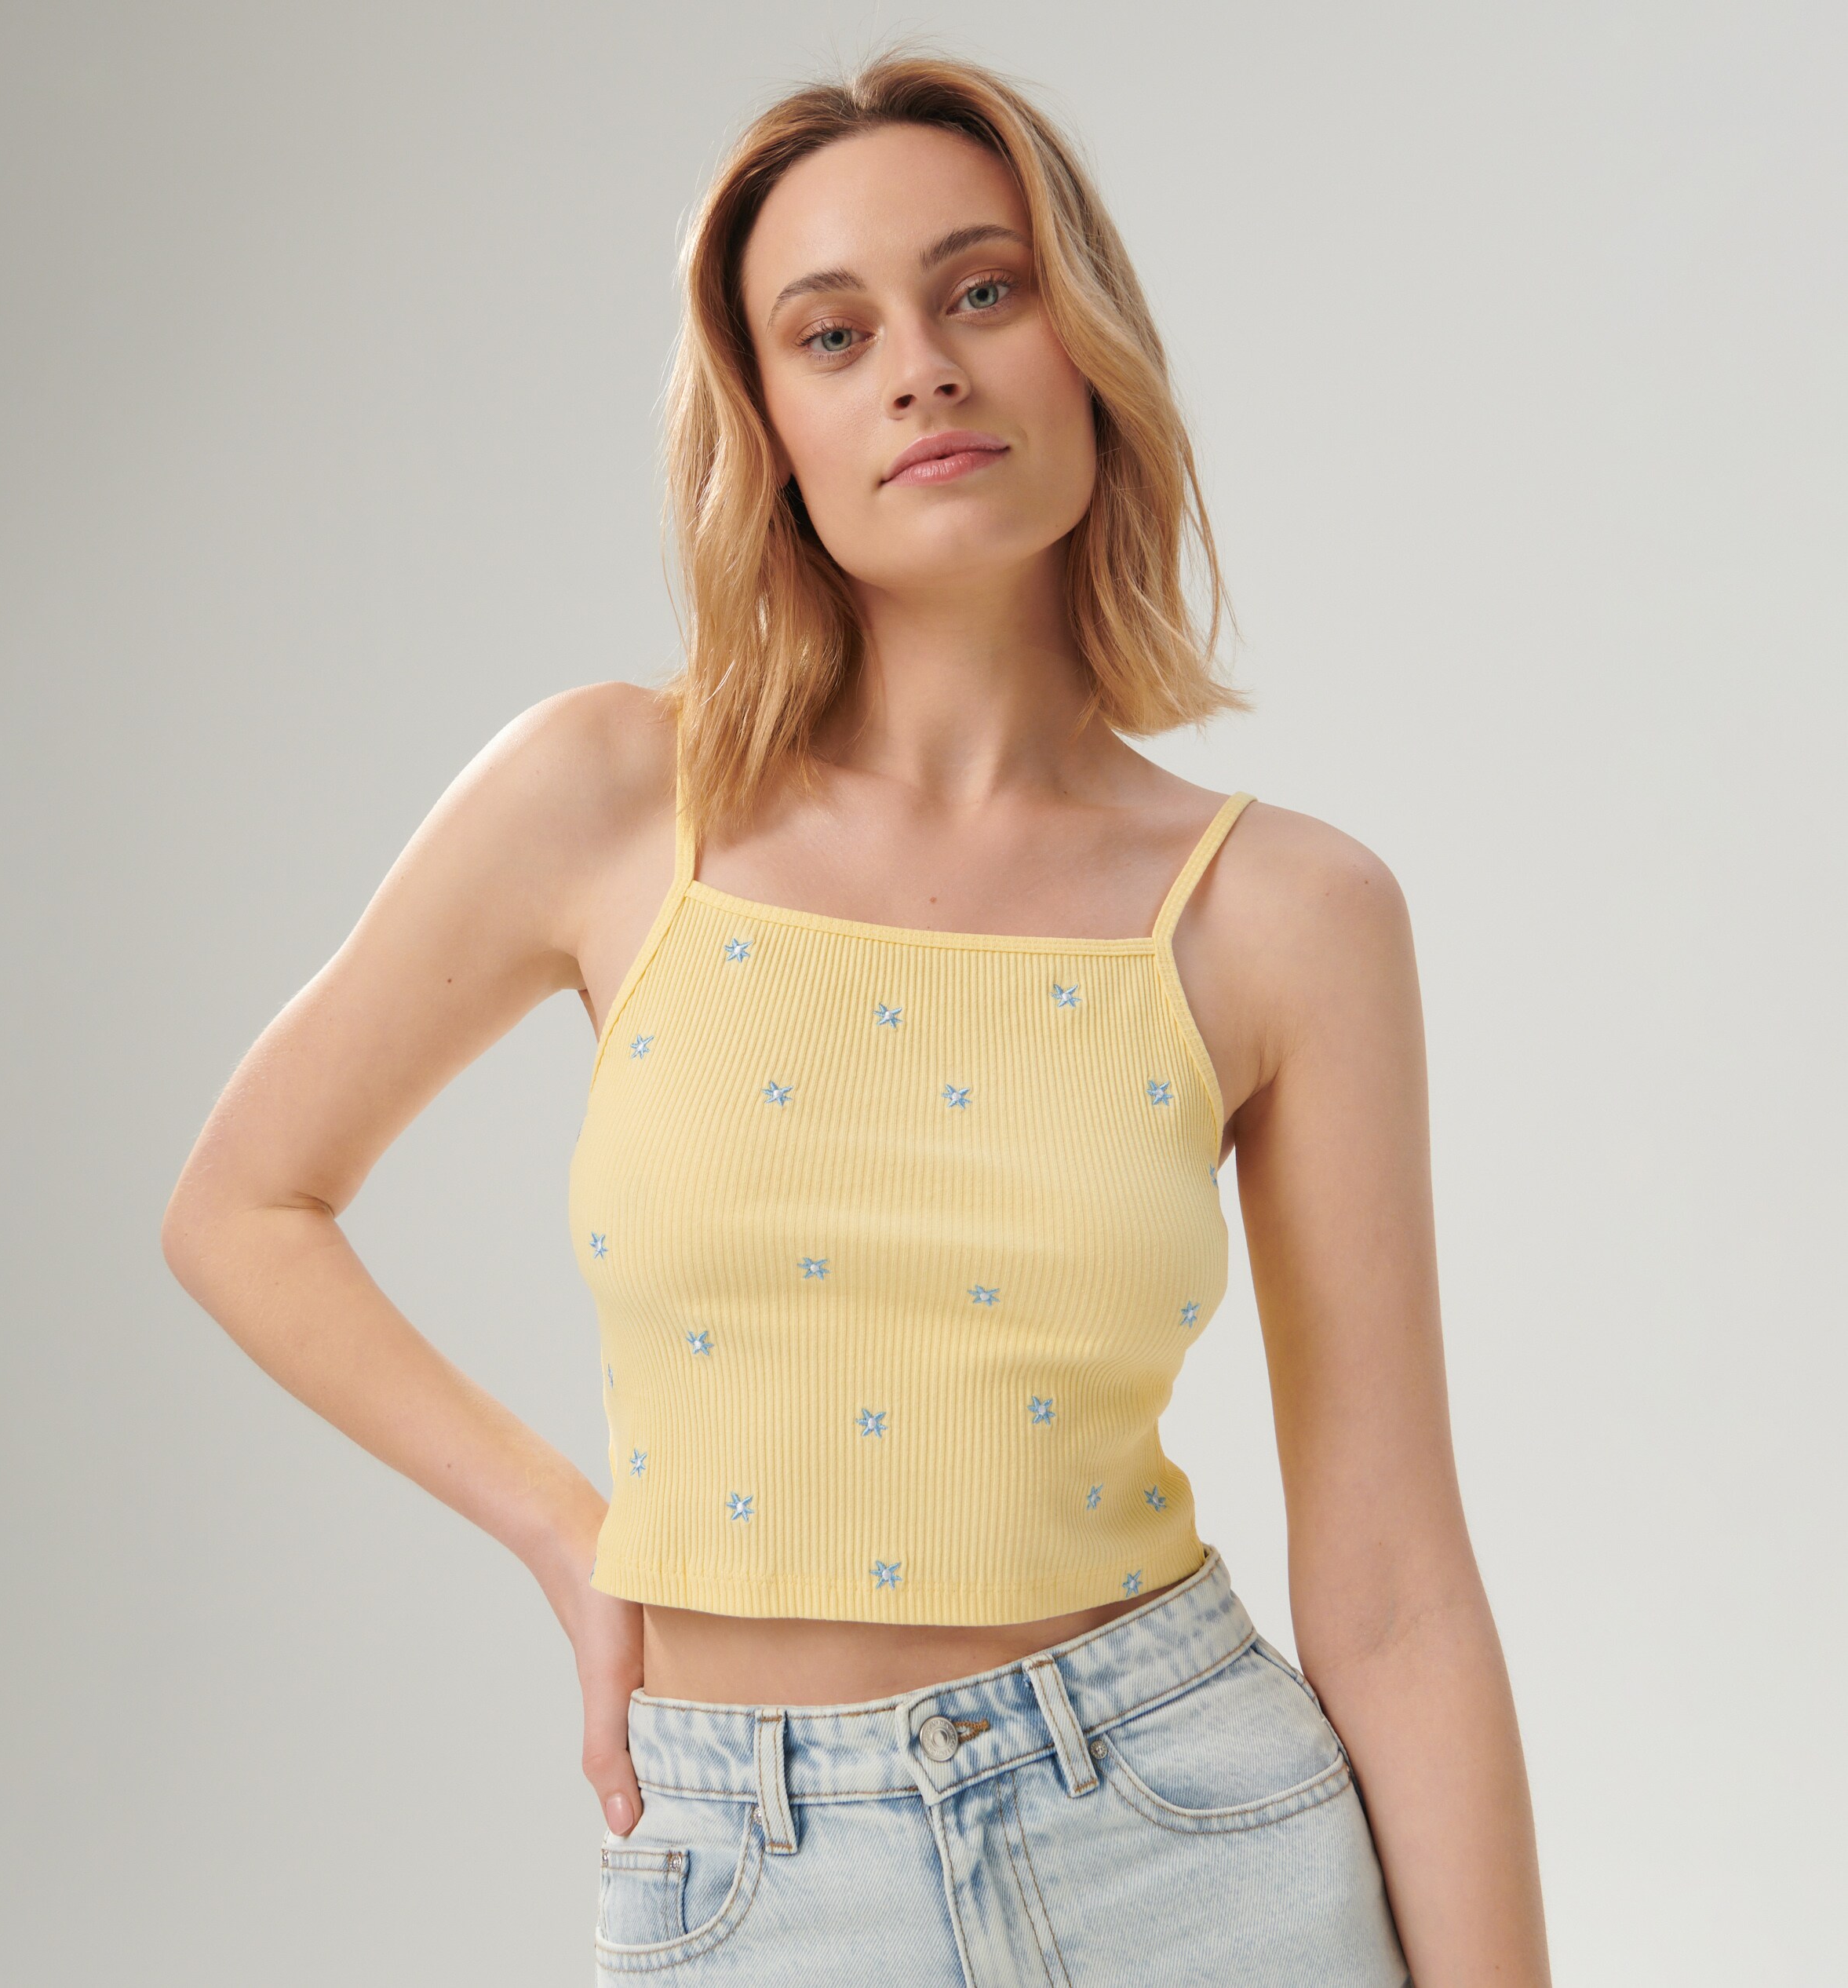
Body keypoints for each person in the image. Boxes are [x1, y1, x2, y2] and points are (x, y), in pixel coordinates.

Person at [162, 45, 1551, 1988]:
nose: (921, 368)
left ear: (1088, 351)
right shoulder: (606, 800)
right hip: (750, 1868)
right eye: (833, 333)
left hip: (1190, 1836)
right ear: (770, 427)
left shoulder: (1286, 912)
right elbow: (242, 1204)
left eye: (982, 290)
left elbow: (1393, 1591)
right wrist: (567, 1534)